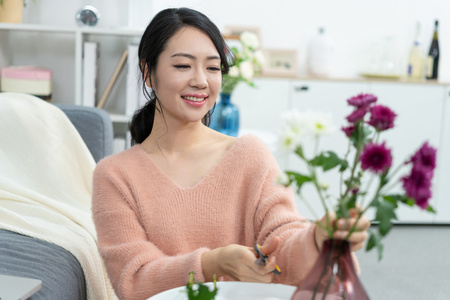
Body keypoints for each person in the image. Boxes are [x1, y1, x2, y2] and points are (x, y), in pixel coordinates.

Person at [92, 7, 370, 300]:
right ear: (148, 72)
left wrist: (317, 239)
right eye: (183, 66)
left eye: (213, 68)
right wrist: (213, 263)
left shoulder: (250, 155)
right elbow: (133, 282)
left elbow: (283, 241)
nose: (201, 80)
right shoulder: (115, 176)